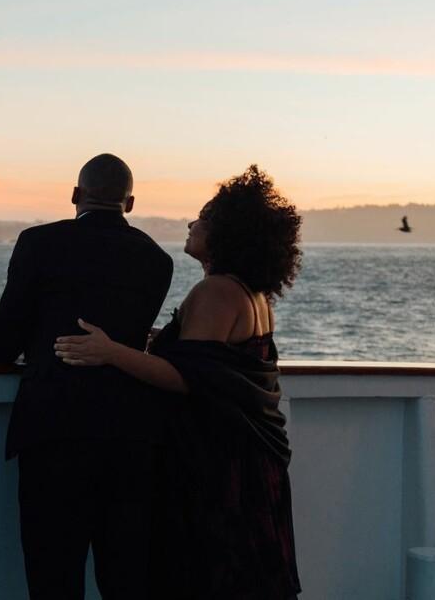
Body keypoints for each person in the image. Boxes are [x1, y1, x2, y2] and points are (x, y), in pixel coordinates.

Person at [55, 165, 302, 599]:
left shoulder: (215, 292)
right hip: (252, 463)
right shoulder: (252, 294)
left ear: (227, 233)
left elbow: (188, 378)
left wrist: (110, 351)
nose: (191, 224)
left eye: (202, 218)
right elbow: (214, 360)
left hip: (220, 468)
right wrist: (156, 341)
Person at [0, 153, 174, 600]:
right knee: (124, 579)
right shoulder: (156, 260)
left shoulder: (37, 243)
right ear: (130, 203)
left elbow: (5, 345)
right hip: (130, 438)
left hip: (53, 433)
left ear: (74, 195)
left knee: (53, 578)